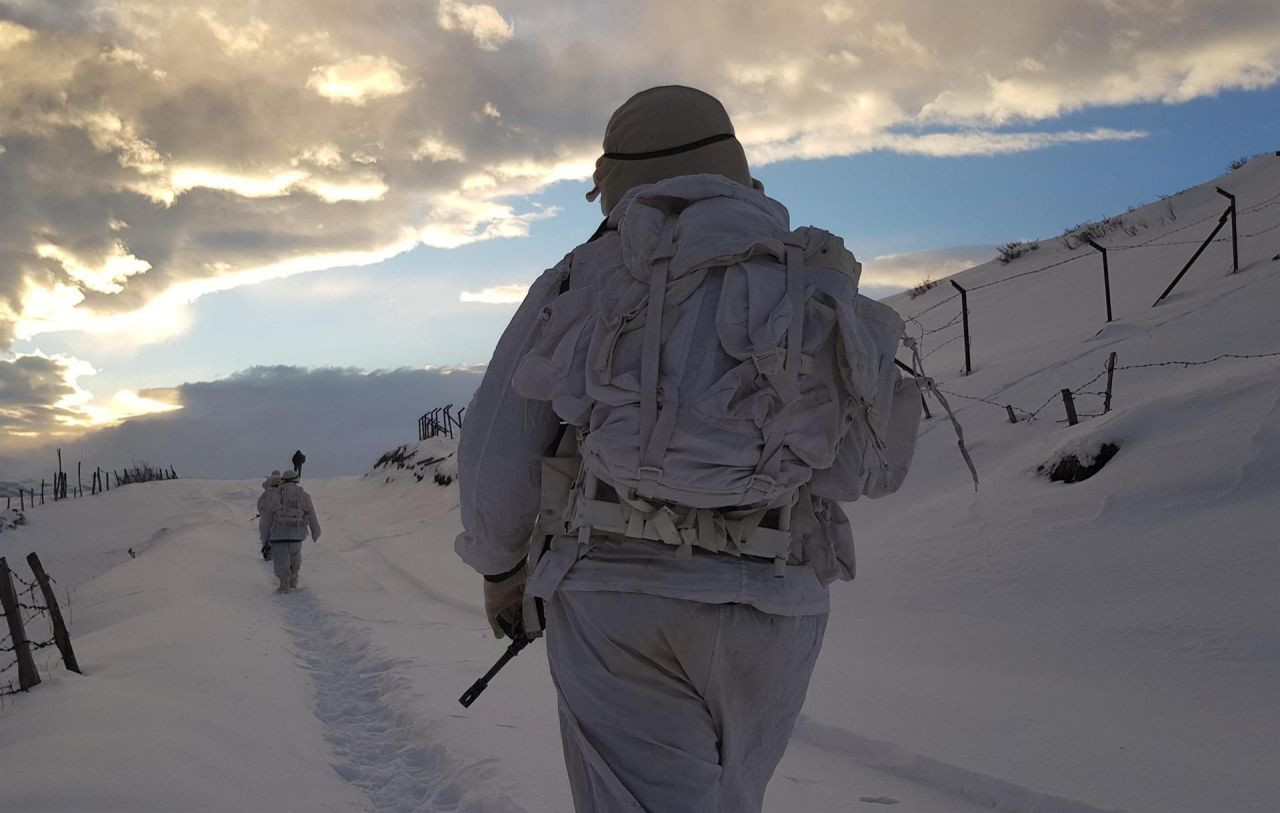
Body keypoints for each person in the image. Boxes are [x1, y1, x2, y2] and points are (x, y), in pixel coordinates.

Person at [456, 86, 918, 812]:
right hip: (780, 605)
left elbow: (496, 456)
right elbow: (866, 461)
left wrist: (500, 571)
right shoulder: (806, 278)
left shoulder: (588, 272)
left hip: (618, 598)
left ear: (613, 180)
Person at [259, 468, 321, 593]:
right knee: (295, 556)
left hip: (278, 536)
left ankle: (284, 585)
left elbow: (267, 518)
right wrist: (316, 531)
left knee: (281, 560)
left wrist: (264, 538)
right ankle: (294, 580)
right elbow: (311, 514)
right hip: (297, 535)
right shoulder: (303, 495)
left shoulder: (277, 495)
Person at [257, 470, 281, 560]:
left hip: (266, 517)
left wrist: (262, 512)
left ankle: (266, 547)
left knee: (265, 533)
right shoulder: (281, 494)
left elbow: (259, 505)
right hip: (277, 517)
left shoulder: (265, 494)